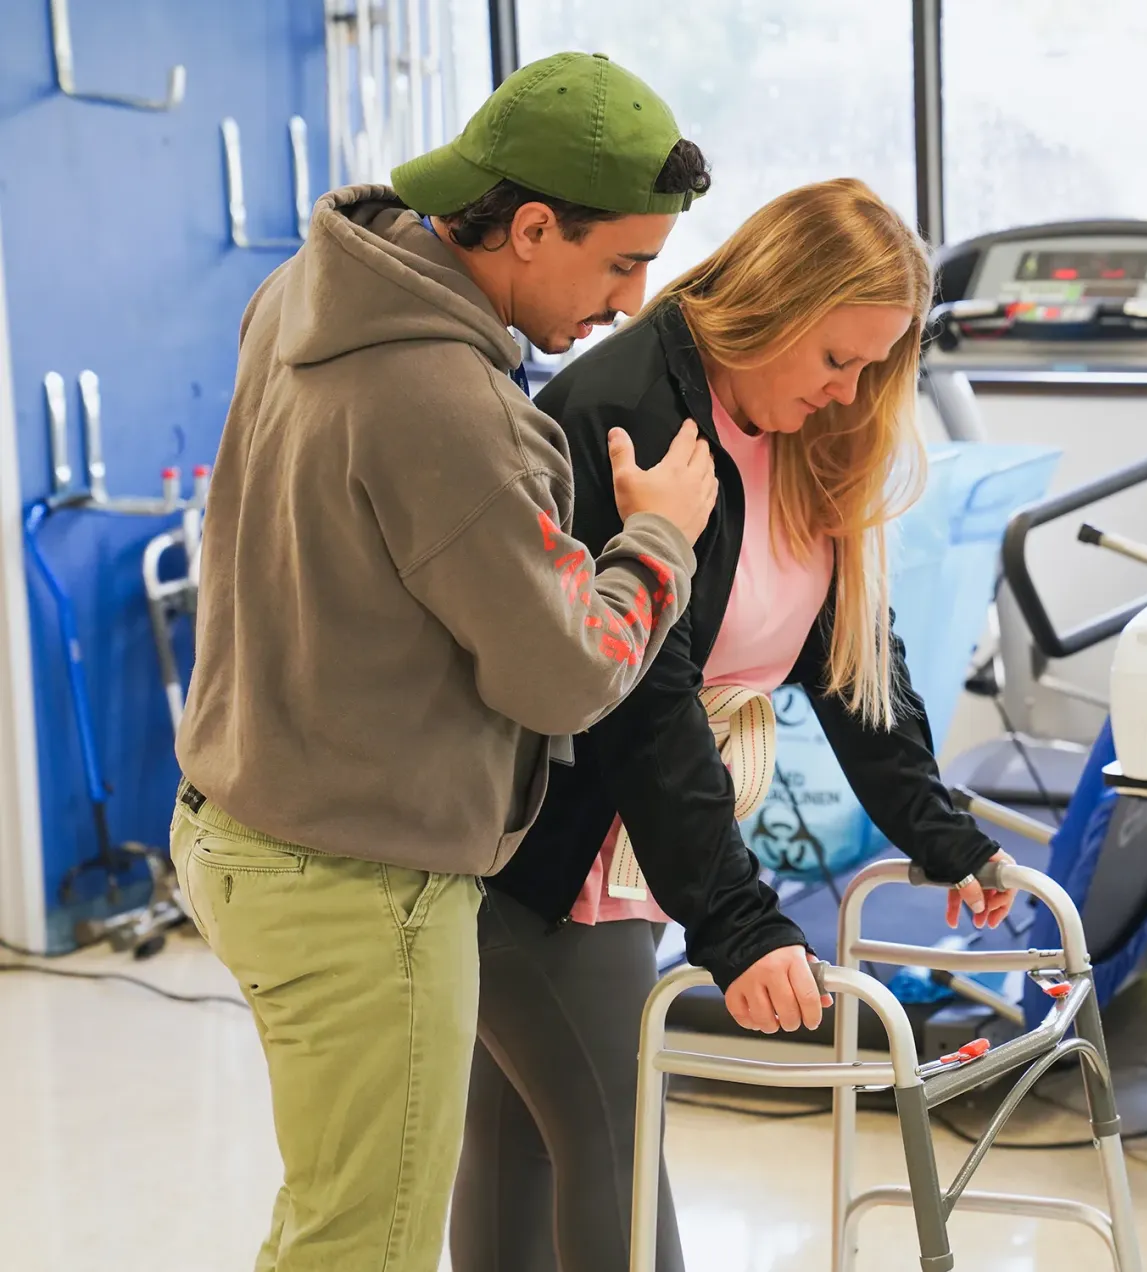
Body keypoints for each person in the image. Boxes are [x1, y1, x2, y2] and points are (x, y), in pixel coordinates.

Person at [169, 52, 723, 1272]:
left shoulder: (308, 295)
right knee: (360, 1244)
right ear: (529, 225)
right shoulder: (446, 401)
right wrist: (658, 541)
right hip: (359, 885)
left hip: (239, 824)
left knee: (332, 1213)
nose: (634, 302)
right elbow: (567, 675)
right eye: (622, 262)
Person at [449, 178, 1019, 1272]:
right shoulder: (631, 413)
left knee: (522, 1142)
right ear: (770, 305)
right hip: (534, 847)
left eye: (872, 368)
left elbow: (857, 668)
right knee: (610, 1139)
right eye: (834, 361)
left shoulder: (807, 437)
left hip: (632, 849)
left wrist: (944, 835)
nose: (850, 396)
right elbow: (638, 703)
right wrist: (742, 923)